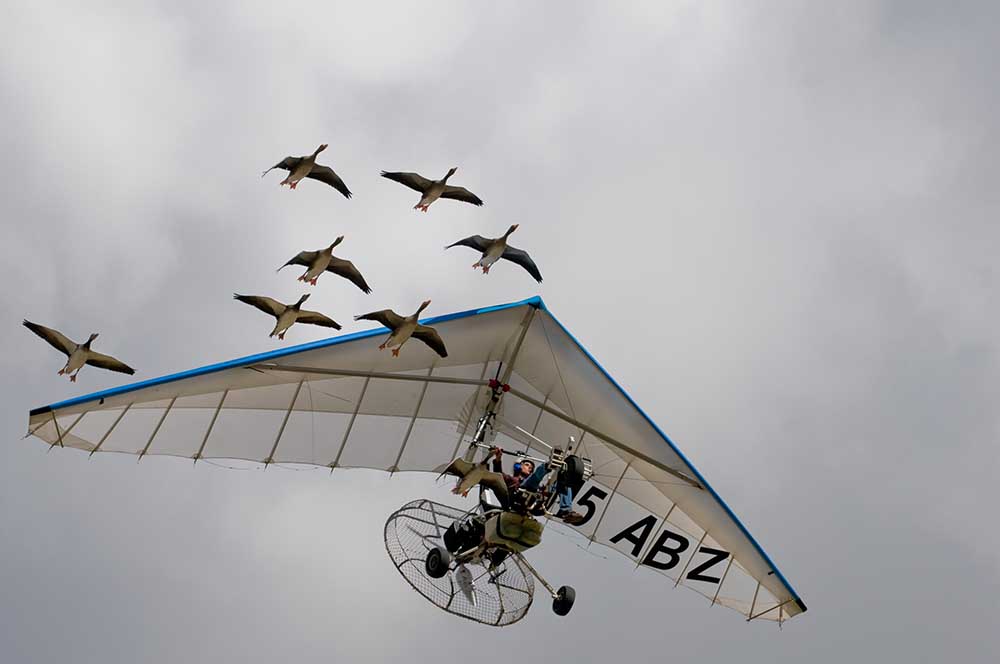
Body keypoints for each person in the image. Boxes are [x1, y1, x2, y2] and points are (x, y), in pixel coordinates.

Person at [491, 448, 584, 524]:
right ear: (518, 466)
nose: (530, 468)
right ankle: (548, 465)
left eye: (531, 467)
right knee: (534, 478)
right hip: (518, 499)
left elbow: (538, 488)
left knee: (562, 482)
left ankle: (566, 511)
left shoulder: (533, 482)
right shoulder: (511, 480)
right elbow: (498, 474)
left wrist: (545, 489)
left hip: (536, 507)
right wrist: (498, 459)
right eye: (527, 465)